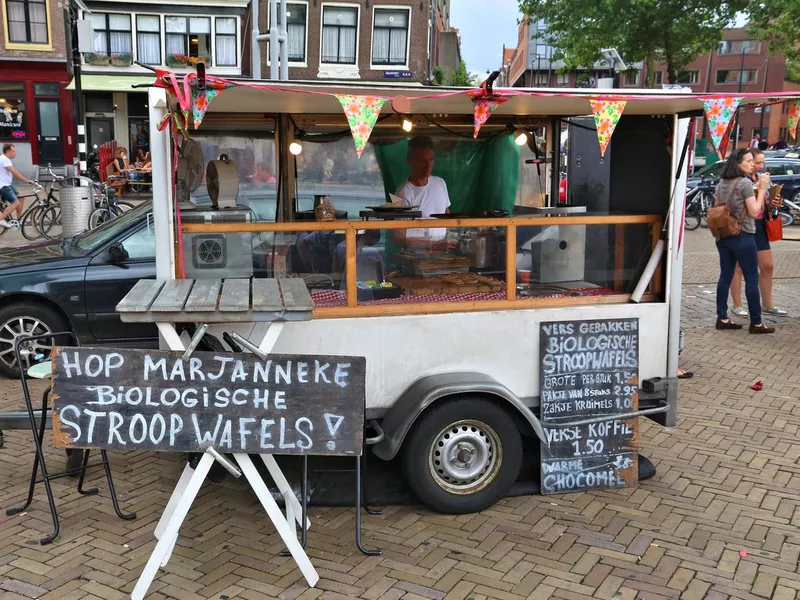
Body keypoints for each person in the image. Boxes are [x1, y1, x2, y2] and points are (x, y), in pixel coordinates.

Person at [714, 148, 774, 334]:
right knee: (751, 278)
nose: (751, 164)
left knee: (725, 276)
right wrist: (762, 188)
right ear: (737, 163)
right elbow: (755, 212)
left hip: (723, 236)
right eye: (748, 161)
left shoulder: (722, 183)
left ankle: (722, 318)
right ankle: (756, 323)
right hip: (743, 235)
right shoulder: (745, 183)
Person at [729, 148, 786, 317]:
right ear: (748, 161)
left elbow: (766, 205)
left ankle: (767, 304)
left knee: (767, 265)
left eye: (763, 162)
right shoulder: (740, 179)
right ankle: (737, 304)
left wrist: (774, 202)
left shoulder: (763, 179)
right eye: (757, 162)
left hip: (760, 225)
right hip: (743, 225)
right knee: (738, 266)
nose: (761, 166)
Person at [393, 135, 454, 250]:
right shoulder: (401, 195)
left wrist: (455, 236)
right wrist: (433, 246)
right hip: (415, 258)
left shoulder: (440, 183)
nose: (428, 166)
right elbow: (398, 238)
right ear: (410, 160)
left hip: (442, 256)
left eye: (431, 159)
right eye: (422, 161)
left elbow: (447, 217)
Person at [0, 143, 35, 229]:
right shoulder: (4, 159)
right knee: (15, 203)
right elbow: (15, 172)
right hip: (3, 186)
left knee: (21, 197)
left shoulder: (3, 158)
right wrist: (27, 180)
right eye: (13, 151)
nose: (15, 153)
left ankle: (19, 220)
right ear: (7, 151)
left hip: (7, 184)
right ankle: (1, 219)